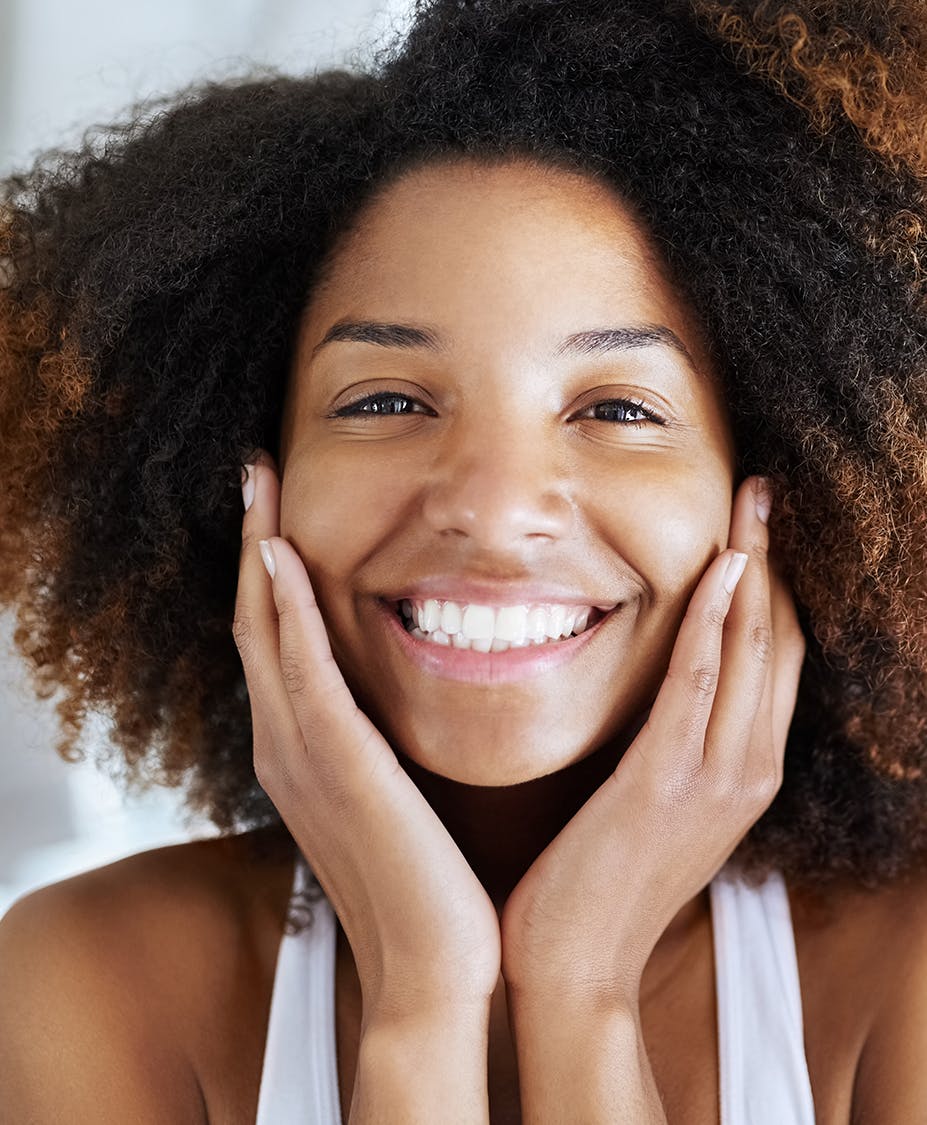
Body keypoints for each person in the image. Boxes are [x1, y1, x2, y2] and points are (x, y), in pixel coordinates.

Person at [2, 0, 927, 1120]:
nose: (492, 514)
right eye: (386, 399)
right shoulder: (88, 981)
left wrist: (582, 985)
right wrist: (419, 996)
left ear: (789, 495)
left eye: (618, 408)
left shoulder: (902, 982)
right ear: (242, 477)